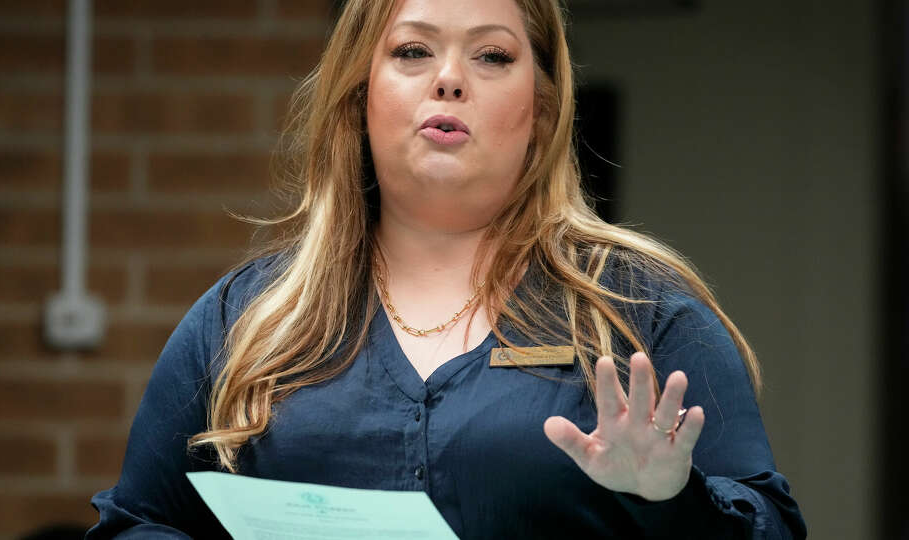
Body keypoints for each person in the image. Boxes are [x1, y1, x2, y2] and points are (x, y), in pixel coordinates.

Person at [86, 0, 808, 537]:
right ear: (358, 92)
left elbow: (772, 524)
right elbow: (136, 523)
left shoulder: (641, 311)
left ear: (543, 106)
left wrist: (673, 501)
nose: (450, 80)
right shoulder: (244, 321)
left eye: (492, 56)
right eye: (411, 52)